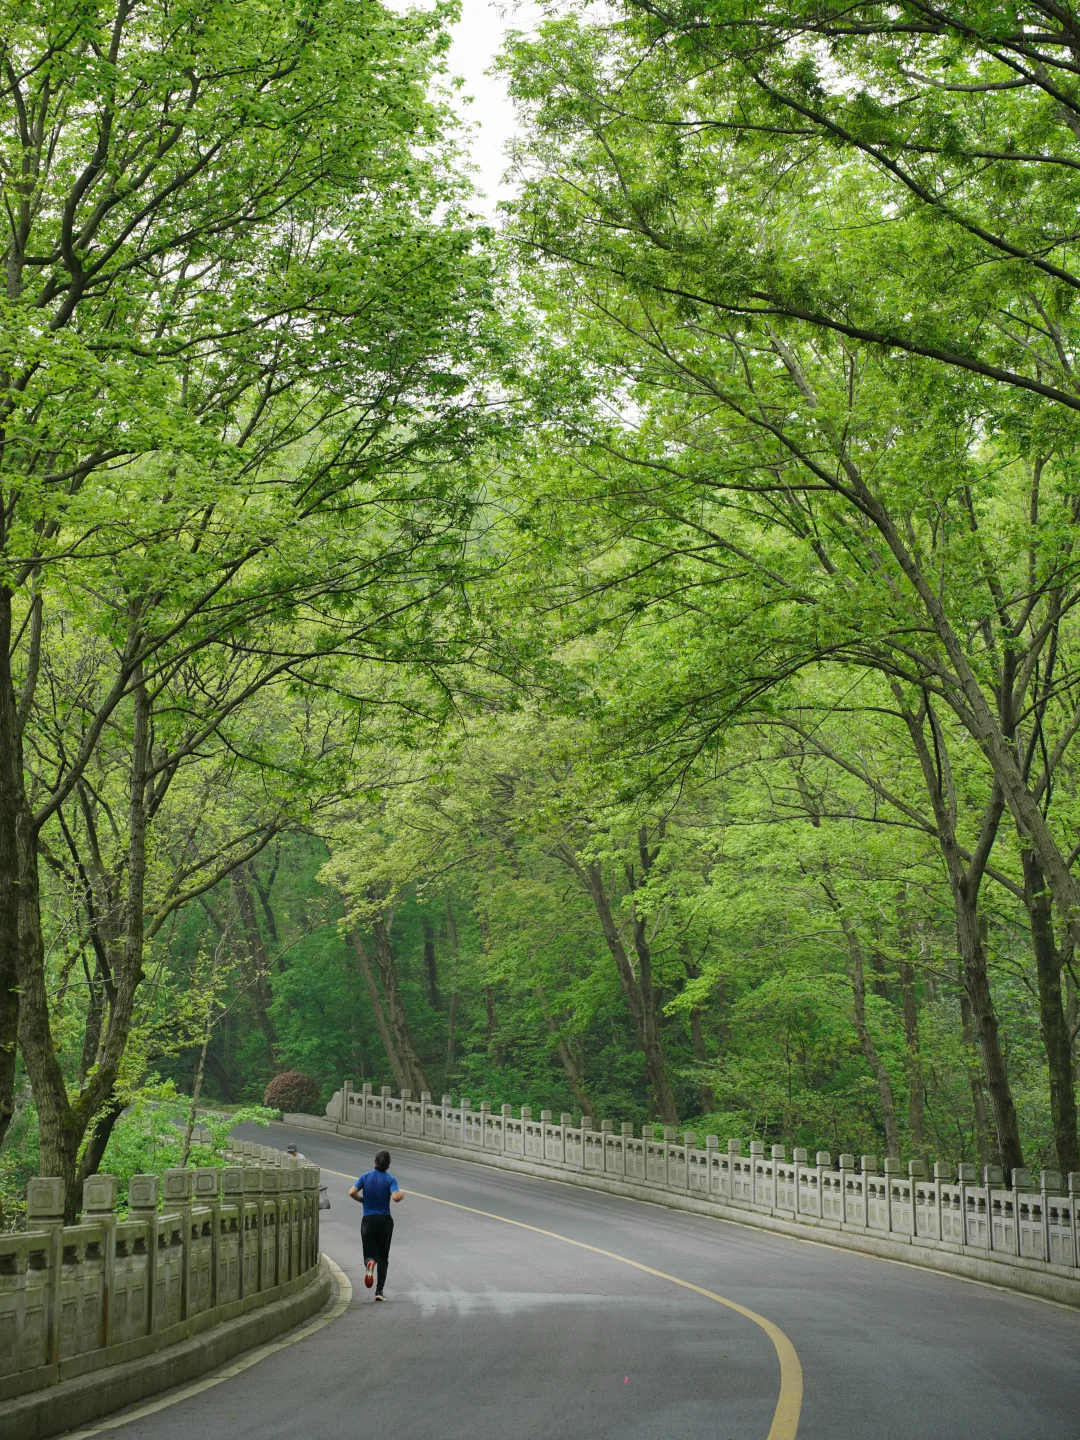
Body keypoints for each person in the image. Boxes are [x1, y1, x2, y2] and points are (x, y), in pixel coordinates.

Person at [349, 1149, 403, 1299]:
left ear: (375, 1162)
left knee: (369, 1252)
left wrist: (362, 1200)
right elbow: (396, 1198)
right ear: (388, 1164)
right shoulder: (390, 1179)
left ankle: (370, 1263)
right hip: (385, 1221)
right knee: (383, 1257)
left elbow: (351, 1192)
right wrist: (401, 1195)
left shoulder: (365, 1177)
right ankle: (379, 1291)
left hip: (368, 1220)